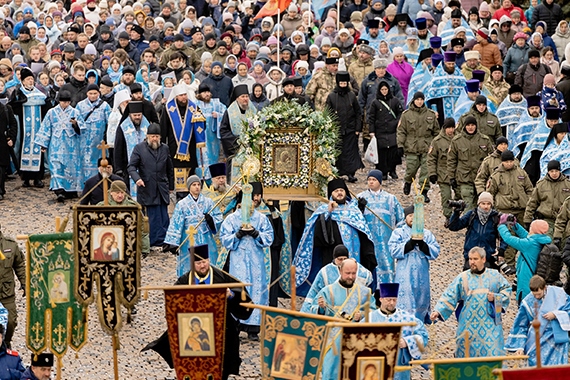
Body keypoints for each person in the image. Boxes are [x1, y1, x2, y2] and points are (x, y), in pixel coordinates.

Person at [143, 245, 253, 380]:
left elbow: (243, 297)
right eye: (199, 263)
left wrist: (230, 295)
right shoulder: (184, 281)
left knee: (220, 369)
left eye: (205, 261)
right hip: (191, 338)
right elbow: (173, 305)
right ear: (193, 264)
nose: (203, 266)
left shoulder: (221, 277)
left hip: (221, 332)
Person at [294, 178, 377, 296]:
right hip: (332, 252)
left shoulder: (353, 209)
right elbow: (317, 234)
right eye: (336, 191)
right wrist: (328, 213)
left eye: (341, 190)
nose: (339, 193)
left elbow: (363, 231)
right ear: (331, 194)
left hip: (354, 251)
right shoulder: (324, 210)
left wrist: (361, 209)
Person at [431, 247, 511, 357]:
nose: (472, 262)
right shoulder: (463, 277)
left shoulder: (495, 276)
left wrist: (496, 297)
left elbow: (506, 290)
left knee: (493, 357)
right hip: (468, 327)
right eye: (470, 259)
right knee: (467, 360)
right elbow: (450, 294)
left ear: (483, 259)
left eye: (475, 259)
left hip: (490, 327)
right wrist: (438, 311)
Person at [219, 183, 274, 340]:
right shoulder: (231, 219)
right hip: (238, 261)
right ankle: (236, 324)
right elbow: (224, 238)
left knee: (257, 290)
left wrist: (256, 234)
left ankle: (253, 328)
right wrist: (237, 235)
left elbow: (269, 237)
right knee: (238, 290)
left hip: (256, 260)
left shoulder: (261, 218)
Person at [308, 259, 375, 380]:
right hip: (332, 343)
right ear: (340, 271)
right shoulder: (327, 291)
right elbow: (312, 312)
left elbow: (374, 311)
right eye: (347, 273)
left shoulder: (364, 293)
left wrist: (363, 315)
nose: (350, 277)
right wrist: (322, 308)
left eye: (354, 273)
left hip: (356, 343)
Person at [388, 205, 440, 322]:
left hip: (422, 274)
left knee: (420, 299)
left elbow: (435, 251)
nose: (412, 218)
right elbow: (392, 249)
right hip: (404, 273)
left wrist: (423, 245)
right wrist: (409, 244)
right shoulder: (398, 232)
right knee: (405, 299)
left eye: (415, 216)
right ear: (405, 218)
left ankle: (419, 327)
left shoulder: (426, 234)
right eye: (410, 216)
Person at [127, 123, 174, 249]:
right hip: (147, 187)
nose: (154, 139)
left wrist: (171, 186)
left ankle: (165, 240)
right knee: (152, 217)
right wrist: (137, 179)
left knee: (164, 216)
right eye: (152, 136)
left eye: (157, 136)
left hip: (162, 187)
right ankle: (152, 241)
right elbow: (131, 167)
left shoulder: (165, 148)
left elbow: (169, 168)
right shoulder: (139, 148)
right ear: (147, 136)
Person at [368, 283, 429, 380]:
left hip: (399, 369)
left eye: (394, 300)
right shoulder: (370, 318)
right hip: (376, 367)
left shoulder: (407, 318)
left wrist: (407, 341)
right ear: (381, 299)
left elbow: (423, 336)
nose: (391, 303)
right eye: (388, 300)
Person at [505, 275, 570, 366]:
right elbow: (521, 325)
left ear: (545, 287)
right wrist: (520, 347)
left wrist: (556, 314)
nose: (537, 296)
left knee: (557, 368)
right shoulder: (527, 301)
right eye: (534, 294)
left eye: (539, 294)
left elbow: (568, 310)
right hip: (536, 340)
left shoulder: (559, 294)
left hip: (556, 338)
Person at [165, 174, 222, 275]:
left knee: (208, 261)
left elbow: (218, 217)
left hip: (205, 237)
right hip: (188, 238)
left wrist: (211, 220)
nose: (197, 187)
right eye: (194, 185)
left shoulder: (208, 202)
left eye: (198, 185)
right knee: (188, 264)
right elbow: (176, 223)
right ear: (189, 187)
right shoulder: (182, 204)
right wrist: (173, 242)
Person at [34, 90, 83, 202]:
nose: (65, 104)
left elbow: (82, 129)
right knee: (56, 167)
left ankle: (70, 190)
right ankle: (59, 190)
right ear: (59, 101)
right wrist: (43, 144)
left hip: (71, 145)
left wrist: (76, 125)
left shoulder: (75, 112)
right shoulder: (51, 112)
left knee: (70, 168)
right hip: (56, 144)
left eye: (67, 102)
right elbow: (46, 128)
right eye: (63, 102)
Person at [357, 170, 404, 283]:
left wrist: (397, 236)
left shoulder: (391, 199)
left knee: (387, 265)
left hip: (386, 241)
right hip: (369, 241)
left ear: (380, 181)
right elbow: (354, 217)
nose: (371, 182)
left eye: (374, 180)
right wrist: (359, 208)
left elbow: (401, 219)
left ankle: (388, 296)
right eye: (369, 180)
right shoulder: (360, 197)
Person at [160, 84, 207, 196]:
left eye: (185, 95)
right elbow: (163, 129)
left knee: (191, 178)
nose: (184, 97)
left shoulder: (194, 108)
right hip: (174, 150)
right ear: (176, 96)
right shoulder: (168, 109)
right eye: (181, 95)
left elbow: (202, 126)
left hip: (190, 150)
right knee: (178, 181)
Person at [300, 244, 373, 313]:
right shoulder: (325, 273)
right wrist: (320, 308)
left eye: (345, 259)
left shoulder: (360, 271)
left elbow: (371, 308)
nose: (342, 262)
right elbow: (313, 294)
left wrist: (361, 315)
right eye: (340, 259)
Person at [9, 67, 47, 189]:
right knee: (23, 150)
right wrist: (19, 101)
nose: (30, 81)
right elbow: (12, 106)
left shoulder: (39, 94)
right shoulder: (18, 93)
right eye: (28, 79)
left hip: (37, 127)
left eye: (32, 79)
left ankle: (37, 178)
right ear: (23, 81)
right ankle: (25, 178)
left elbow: (47, 106)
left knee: (38, 149)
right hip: (24, 129)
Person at [397, 91, 439, 201]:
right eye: (417, 100)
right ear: (413, 100)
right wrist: (400, 145)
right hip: (411, 147)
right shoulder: (406, 115)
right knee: (411, 169)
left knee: (426, 171)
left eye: (421, 100)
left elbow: (436, 132)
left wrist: (435, 146)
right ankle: (408, 182)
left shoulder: (430, 115)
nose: (419, 102)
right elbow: (401, 131)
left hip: (426, 147)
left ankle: (424, 191)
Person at [499, 217, 551, 304]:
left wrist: (501, 225)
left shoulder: (528, 244)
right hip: (535, 277)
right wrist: (515, 225)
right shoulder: (542, 240)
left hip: (526, 280)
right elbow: (527, 235)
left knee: (524, 305)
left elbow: (508, 239)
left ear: (534, 229)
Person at [447, 116, 494, 211]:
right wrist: (451, 177)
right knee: (468, 207)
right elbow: (451, 160)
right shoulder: (457, 141)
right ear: (464, 126)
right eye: (468, 125)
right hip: (465, 178)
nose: (470, 127)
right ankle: (469, 225)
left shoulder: (484, 140)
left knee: (481, 206)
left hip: (481, 179)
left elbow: (492, 159)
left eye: (472, 125)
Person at [325, 71, 362, 183]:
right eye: (341, 83)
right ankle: (337, 173)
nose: (343, 85)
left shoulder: (351, 96)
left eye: (345, 83)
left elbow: (358, 112)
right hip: (336, 130)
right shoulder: (332, 96)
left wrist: (357, 129)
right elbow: (327, 113)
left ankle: (351, 173)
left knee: (350, 152)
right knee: (338, 153)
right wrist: (330, 128)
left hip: (350, 129)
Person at [96, 180, 150, 256]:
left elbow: (142, 229)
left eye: (122, 192)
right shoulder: (101, 206)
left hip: (129, 246)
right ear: (111, 192)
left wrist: (144, 248)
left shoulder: (133, 207)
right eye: (117, 193)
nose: (120, 195)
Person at [219, 84, 257, 182]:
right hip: (236, 150)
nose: (245, 99)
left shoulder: (253, 110)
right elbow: (223, 131)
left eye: (247, 96)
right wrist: (237, 141)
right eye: (243, 97)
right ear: (237, 98)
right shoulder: (230, 112)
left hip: (251, 151)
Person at [75, 83, 111, 184]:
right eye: (91, 93)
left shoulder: (104, 106)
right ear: (87, 93)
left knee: (98, 162)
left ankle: (98, 184)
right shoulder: (80, 105)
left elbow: (109, 122)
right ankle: (84, 185)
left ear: (99, 93)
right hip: (84, 140)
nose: (93, 95)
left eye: (95, 93)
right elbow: (76, 120)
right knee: (84, 163)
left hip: (98, 141)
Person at [367, 80, 404, 179]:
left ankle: (392, 170)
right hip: (380, 130)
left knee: (393, 151)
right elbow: (371, 118)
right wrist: (371, 131)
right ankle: (382, 172)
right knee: (381, 152)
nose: (384, 91)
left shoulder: (394, 100)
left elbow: (401, 112)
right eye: (382, 89)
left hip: (392, 130)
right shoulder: (375, 103)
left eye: (386, 89)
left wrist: (397, 122)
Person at [524, 160, 570, 234]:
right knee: (548, 243)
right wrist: (527, 219)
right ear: (548, 172)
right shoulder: (541, 185)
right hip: (547, 220)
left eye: (556, 171)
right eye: (552, 171)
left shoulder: (568, 184)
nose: (554, 173)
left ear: (560, 171)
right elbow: (532, 203)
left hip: (564, 221)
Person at [424, 51, 466, 126]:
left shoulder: (460, 76)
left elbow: (465, 93)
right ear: (445, 63)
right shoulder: (437, 76)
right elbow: (432, 97)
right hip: (441, 108)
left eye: (453, 64)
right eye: (449, 64)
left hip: (457, 107)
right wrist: (434, 110)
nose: (451, 66)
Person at [428, 118, 456, 221]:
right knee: (446, 196)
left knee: (459, 195)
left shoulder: (459, 139)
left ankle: (457, 214)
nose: (451, 130)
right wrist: (432, 173)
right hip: (442, 173)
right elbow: (431, 158)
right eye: (448, 127)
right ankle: (448, 216)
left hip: (457, 174)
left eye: (452, 127)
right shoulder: (437, 141)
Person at [0, 99, 17, 200]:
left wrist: (11, 138)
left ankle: (0, 190)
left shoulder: (6, 109)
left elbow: (13, 124)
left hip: (2, 142)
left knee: (1, 167)